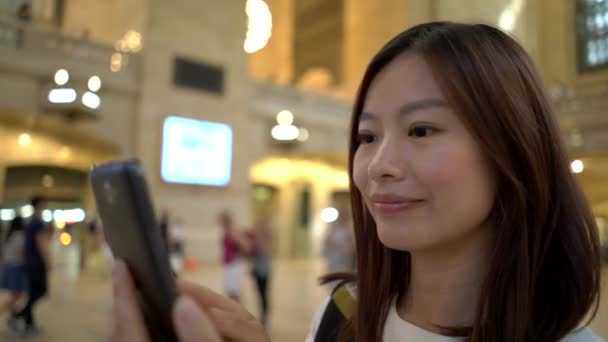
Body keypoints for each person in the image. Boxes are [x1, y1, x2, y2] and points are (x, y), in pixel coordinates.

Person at [107, 22, 603, 342]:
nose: (377, 166)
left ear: (512, 147)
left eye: (421, 130)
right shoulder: (340, 318)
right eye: (367, 135)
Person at [8, 197, 50, 336]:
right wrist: (47, 261)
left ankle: (28, 325)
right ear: (39, 204)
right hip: (36, 263)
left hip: (30, 262)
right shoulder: (37, 222)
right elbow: (41, 244)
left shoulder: (30, 221)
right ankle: (18, 316)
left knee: (33, 292)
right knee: (40, 291)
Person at [247, 214, 275, 328]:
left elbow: (269, 251)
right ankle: (261, 314)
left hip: (265, 269)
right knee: (258, 292)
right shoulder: (256, 236)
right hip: (257, 268)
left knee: (264, 293)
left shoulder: (269, 238)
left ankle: (265, 316)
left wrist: (259, 247)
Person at [219, 211, 249, 303]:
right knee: (229, 290)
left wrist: (237, 253)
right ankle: (234, 310)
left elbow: (245, 246)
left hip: (234, 264)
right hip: (229, 263)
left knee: (234, 291)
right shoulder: (226, 230)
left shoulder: (233, 230)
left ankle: (238, 312)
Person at [0, 216, 27, 317]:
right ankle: (6, 311)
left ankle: (12, 315)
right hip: (16, 267)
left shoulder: (8, 235)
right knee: (18, 293)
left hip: (8, 266)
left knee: (14, 294)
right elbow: (20, 254)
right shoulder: (20, 236)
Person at [322, 208, 355, 274]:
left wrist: (346, 248)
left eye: (343, 215)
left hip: (345, 257)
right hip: (334, 256)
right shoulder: (332, 227)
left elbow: (352, 242)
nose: (341, 217)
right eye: (340, 215)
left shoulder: (349, 227)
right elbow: (328, 239)